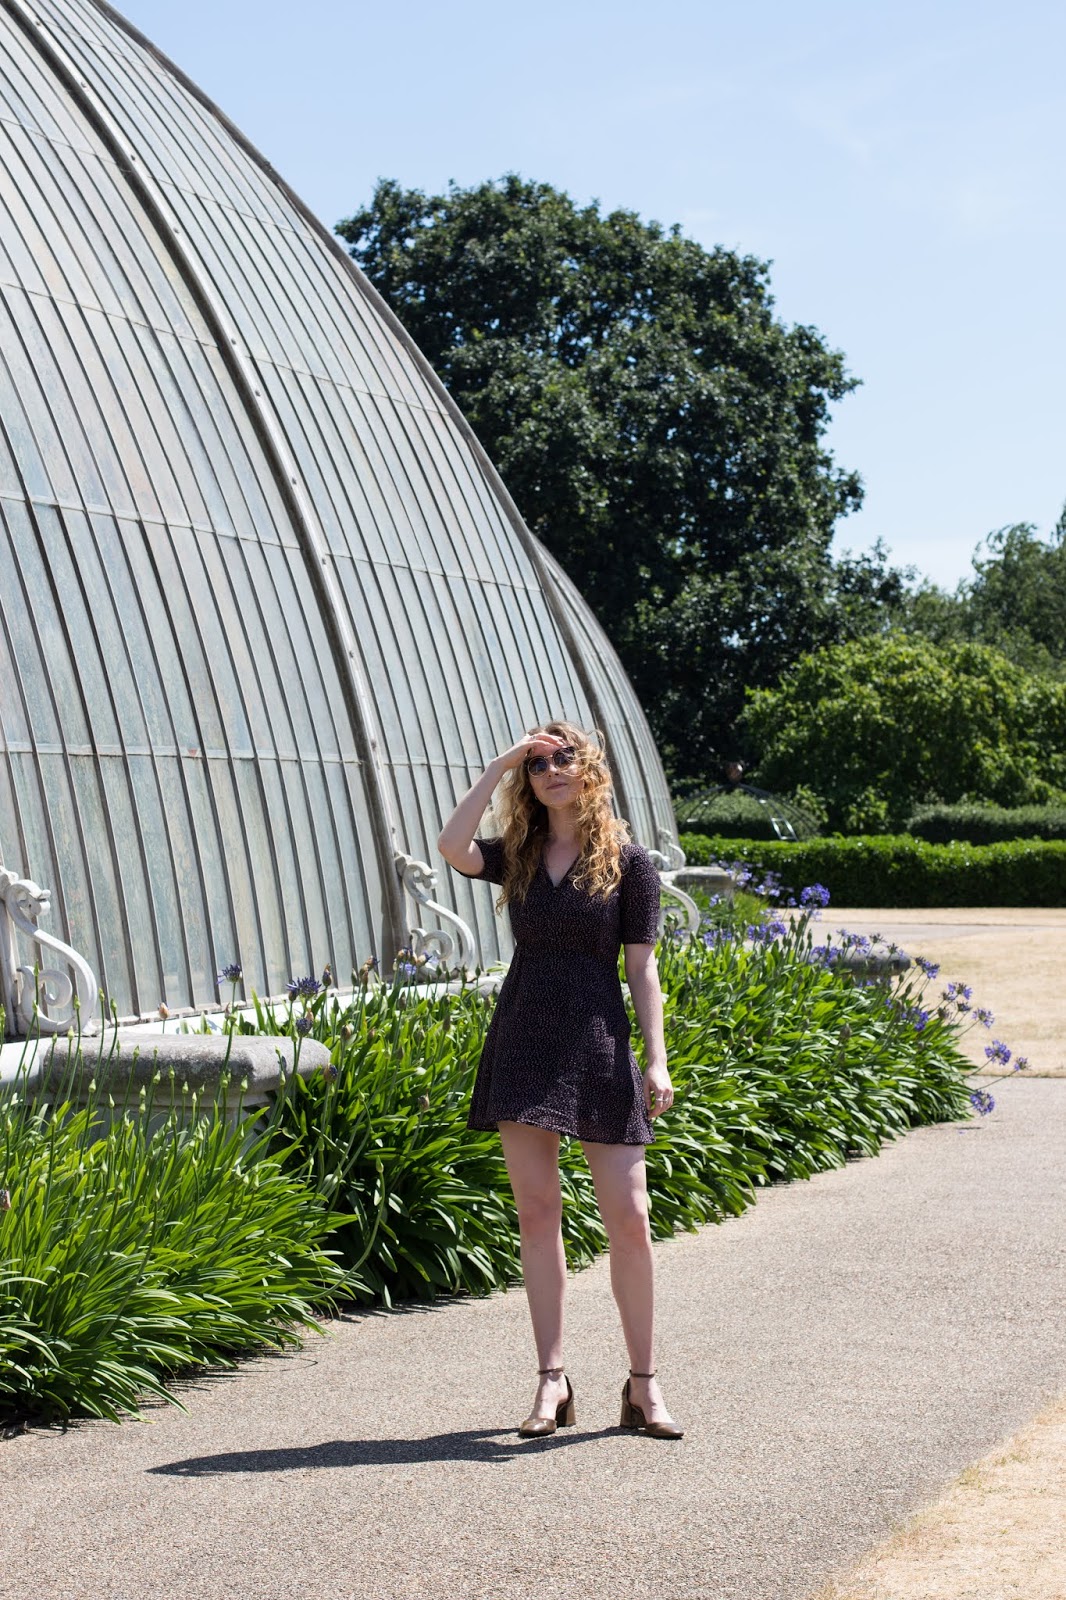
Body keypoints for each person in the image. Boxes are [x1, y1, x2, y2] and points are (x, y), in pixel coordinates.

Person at [437, 720, 683, 1440]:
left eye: (563, 759)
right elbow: (451, 847)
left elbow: (643, 968)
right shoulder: (516, 854)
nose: (550, 772)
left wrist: (657, 1058)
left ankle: (643, 1384)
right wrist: (499, 763)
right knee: (538, 1213)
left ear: (590, 769)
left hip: (599, 1040)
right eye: (538, 765)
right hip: (525, 1038)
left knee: (630, 1216)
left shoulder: (629, 864)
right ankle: (551, 1379)